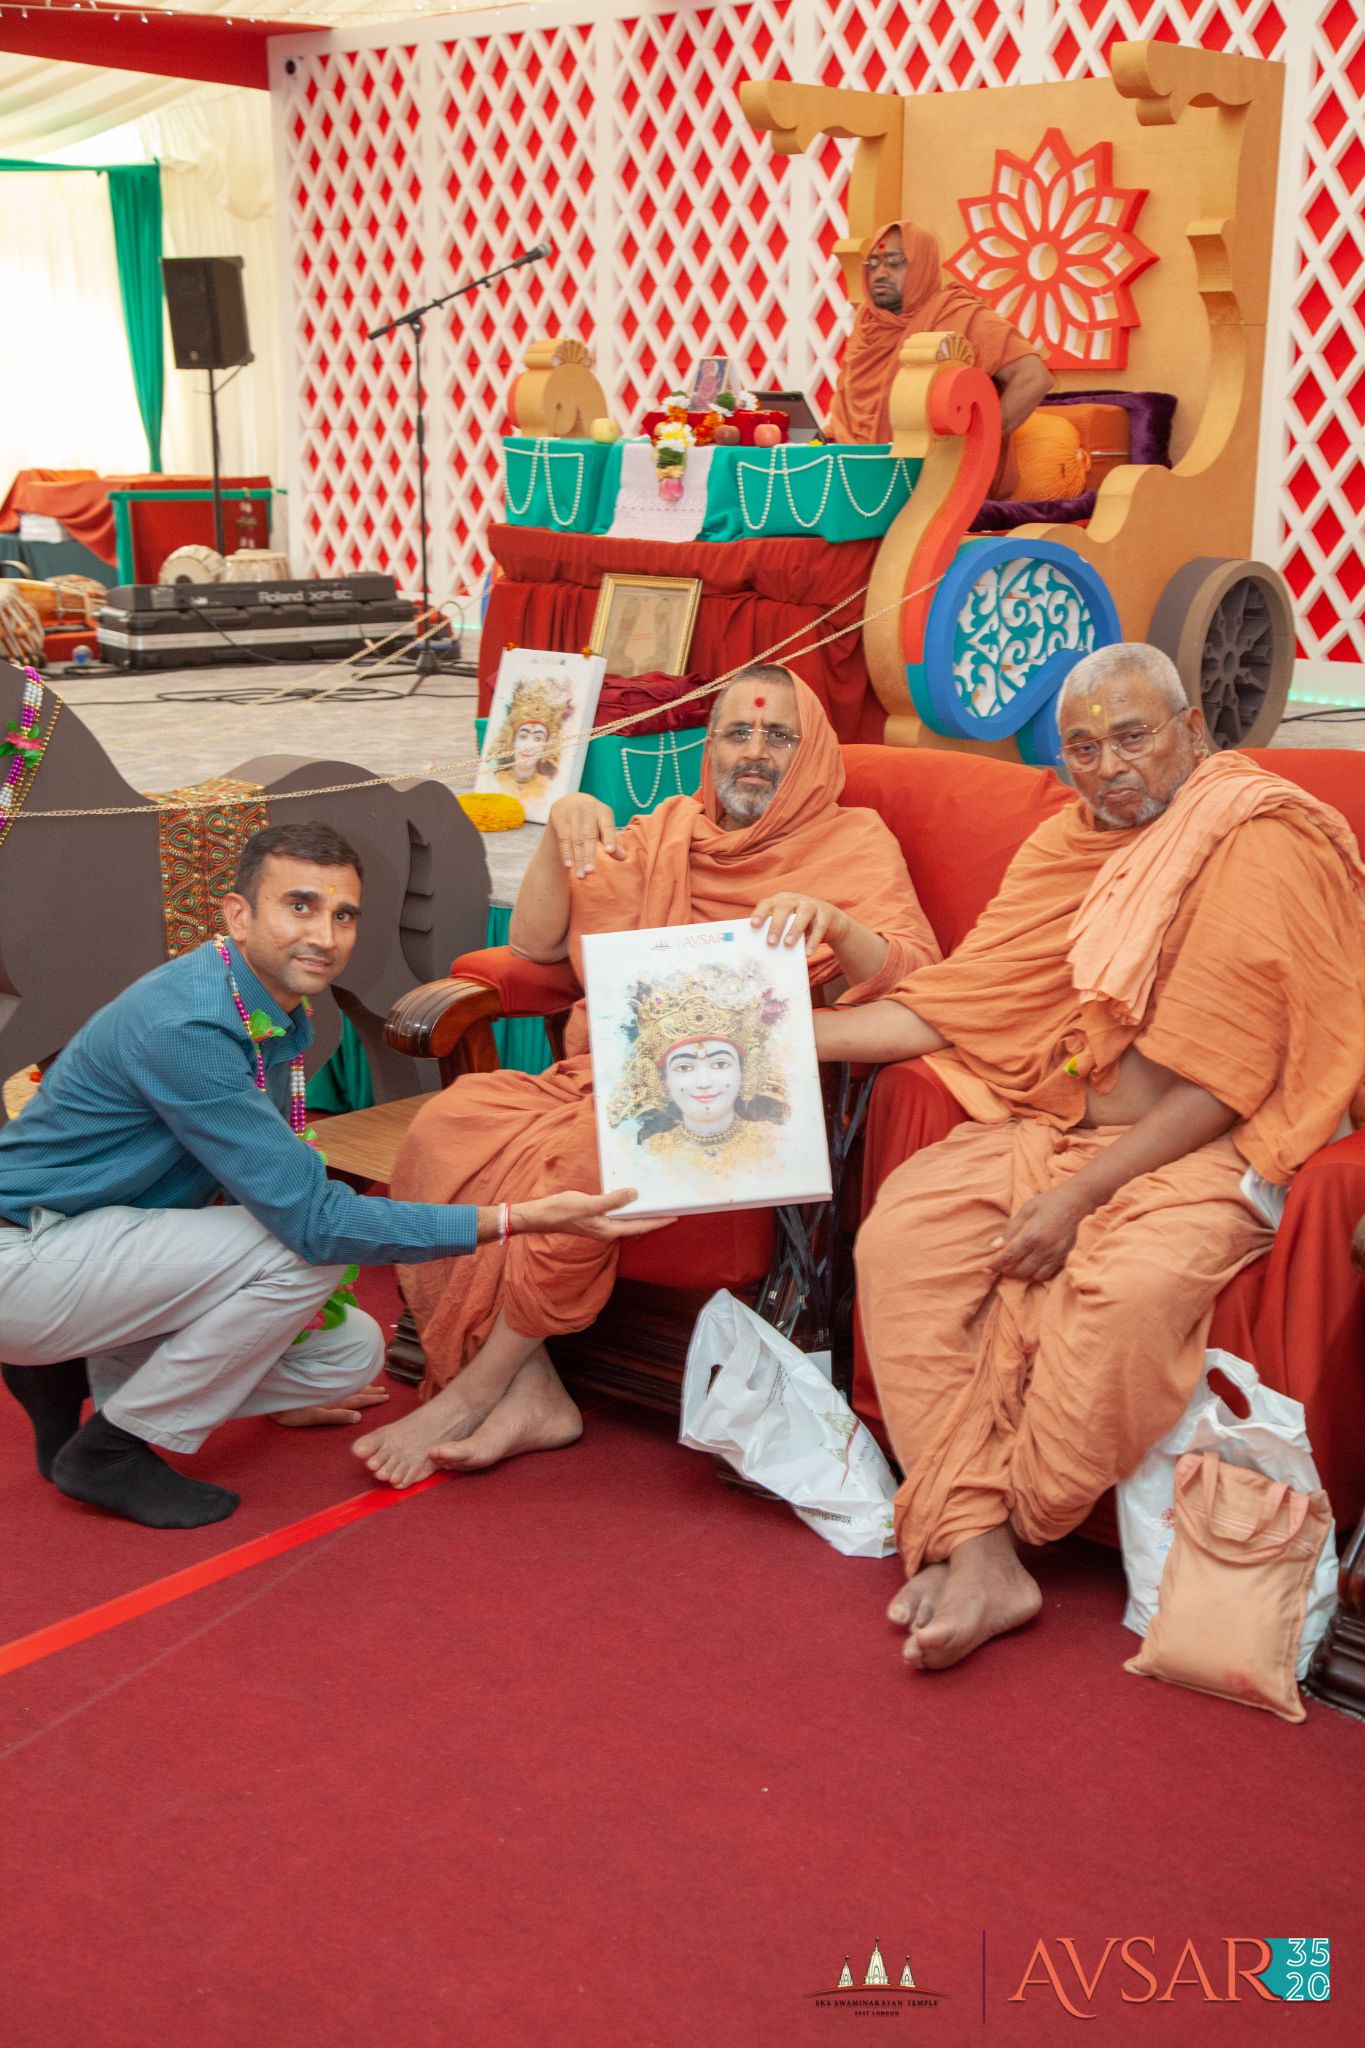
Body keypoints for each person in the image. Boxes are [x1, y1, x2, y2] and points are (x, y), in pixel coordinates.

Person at [818, 644, 1365, 1672]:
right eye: (1082, 747)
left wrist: (1078, 1197)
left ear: (1191, 731)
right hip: (1051, 1119)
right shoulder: (1063, 846)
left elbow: (1225, 1080)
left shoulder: (1261, 838)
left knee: (1122, 1295)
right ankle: (982, 1552)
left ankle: (1008, 1520)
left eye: (1132, 736)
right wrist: (776, 1034)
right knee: (902, 1240)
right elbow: (962, 1002)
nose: (1109, 766)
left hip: (1210, 1149)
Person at [359, 664, 941, 1488]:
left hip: (740, 1104)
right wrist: (562, 830)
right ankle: (534, 1390)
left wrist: (839, 928)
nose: (754, 751)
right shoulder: (667, 832)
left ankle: (474, 1392)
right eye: (736, 733)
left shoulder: (852, 842)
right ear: (710, 748)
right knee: (449, 1121)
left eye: (779, 736)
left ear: (812, 753)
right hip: (613, 1076)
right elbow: (533, 945)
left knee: (590, 1156)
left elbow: (919, 978)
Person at [0, 822, 664, 1529]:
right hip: (27, 1252)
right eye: (300, 906)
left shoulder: (259, 1001)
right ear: (237, 915)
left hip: (97, 1245)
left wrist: (248, 1362)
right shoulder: (187, 1026)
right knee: (305, 1253)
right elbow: (316, 1226)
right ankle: (110, 1449)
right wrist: (521, 1218)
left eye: (343, 915)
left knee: (347, 1356)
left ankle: (63, 1365)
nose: (324, 935)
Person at [826, 219, 1053, 448]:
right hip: (850, 460)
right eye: (872, 263)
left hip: (931, 466)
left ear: (922, 265)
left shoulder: (960, 314)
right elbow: (846, 406)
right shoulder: (868, 323)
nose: (880, 273)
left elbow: (1034, 378)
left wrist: (978, 445)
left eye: (894, 262)